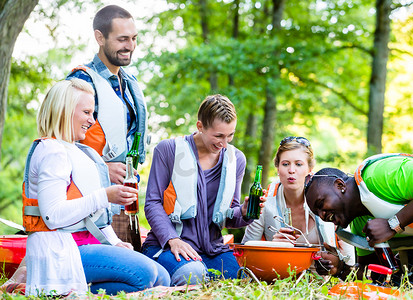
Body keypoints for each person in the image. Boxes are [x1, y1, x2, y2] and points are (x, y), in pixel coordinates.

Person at [23, 79, 169, 296]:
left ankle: (80, 292)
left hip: (85, 245)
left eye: (93, 113)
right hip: (60, 250)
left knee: (162, 276)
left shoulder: (81, 152)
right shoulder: (51, 151)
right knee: (145, 274)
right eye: (86, 112)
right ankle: (68, 290)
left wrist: (115, 242)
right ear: (64, 111)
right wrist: (105, 195)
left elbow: (94, 215)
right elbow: (52, 216)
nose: (92, 121)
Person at [141, 94, 260, 286]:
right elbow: (153, 203)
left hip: (212, 250)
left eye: (230, 135)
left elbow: (230, 216)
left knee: (239, 279)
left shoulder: (236, 159)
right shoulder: (168, 150)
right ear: (200, 127)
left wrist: (245, 213)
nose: (224, 143)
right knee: (193, 274)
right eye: (218, 136)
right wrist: (172, 239)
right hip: (168, 246)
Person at [66, 5, 147, 250]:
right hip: (90, 201)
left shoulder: (130, 84)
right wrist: (102, 167)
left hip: (124, 198)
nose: (130, 46)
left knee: (141, 273)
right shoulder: (81, 82)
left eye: (133, 39)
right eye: (122, 39)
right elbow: (60, 142)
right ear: (100, 38)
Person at [304, 153, 413, 283]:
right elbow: (377, 273)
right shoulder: (360, 223)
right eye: (317, 213)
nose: (322, 216)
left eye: (321, 203)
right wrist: (341, 268)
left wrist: (393, 224)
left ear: (340, 185)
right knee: (406, 276)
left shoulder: (377, 175)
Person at [242, 136, 354, 274]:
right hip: (277, 281)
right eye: (285, 164)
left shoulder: (327, 200)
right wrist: (271, 247)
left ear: (310, 169)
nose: (291, 170)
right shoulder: (264, 202)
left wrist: (337, 264)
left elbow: (351, 264)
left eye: (299, 164)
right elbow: (245, 258)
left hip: (321, 285)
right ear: (277, 168)